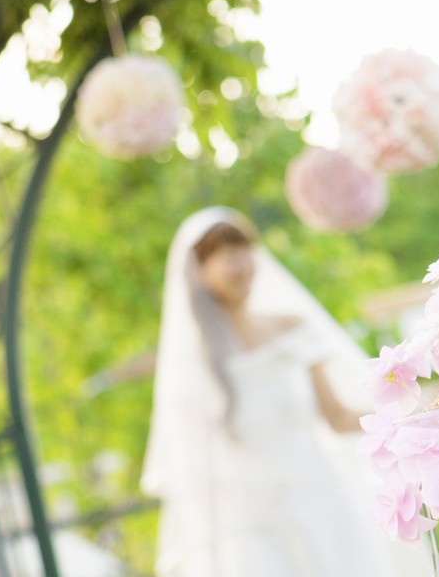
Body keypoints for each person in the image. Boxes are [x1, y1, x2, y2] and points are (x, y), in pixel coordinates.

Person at [140, 207, 423, 577]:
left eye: (245, 251)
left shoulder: (291, 329)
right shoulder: (196, 364)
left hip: (321, 499)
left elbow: (336, 417)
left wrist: (410, 417)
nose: (242, 265)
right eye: (227, 256)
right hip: (252, 524)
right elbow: (196, 468)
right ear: (200, 271)